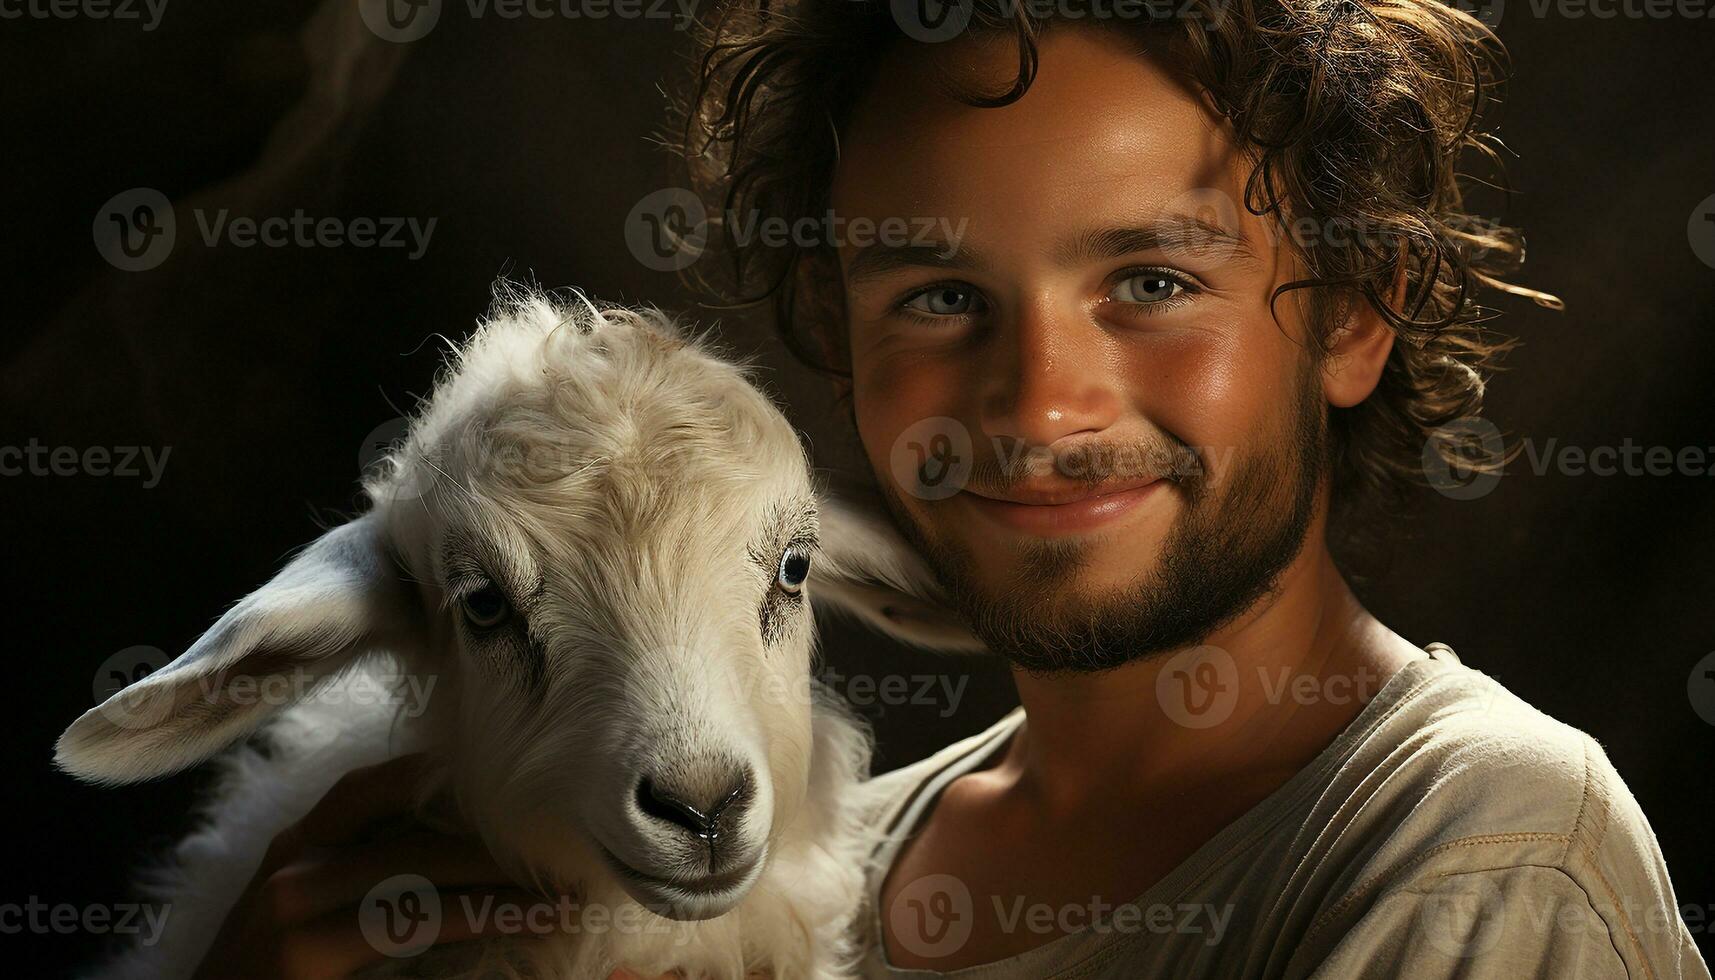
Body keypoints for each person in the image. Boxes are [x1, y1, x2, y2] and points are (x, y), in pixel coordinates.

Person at [664, 0, 1711, 976]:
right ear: (840, 335)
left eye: (1152, 283)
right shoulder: (782, 893)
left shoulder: (1483, 848)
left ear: (1349, 316)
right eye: (941, 297)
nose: (1037, 409)